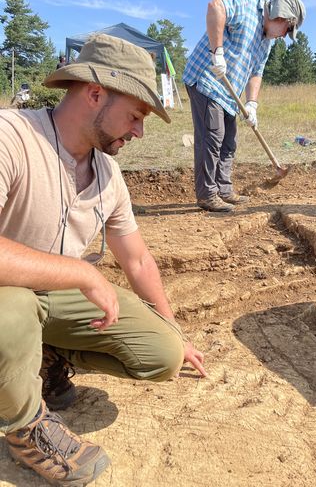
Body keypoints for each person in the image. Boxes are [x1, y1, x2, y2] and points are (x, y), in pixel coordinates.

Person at [0, 34, 206, 486]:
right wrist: (79, 271)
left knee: (163, 355)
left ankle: (44, 356)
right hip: (5, 298)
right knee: (10, 314)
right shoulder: (11, 137)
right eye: (135, 115)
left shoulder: (108, 171)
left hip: (54, 301)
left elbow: (136, 259)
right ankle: (25, 427)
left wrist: (176, 330)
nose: (139, 131)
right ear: (95, 94)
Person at [183, 0, 306, 212]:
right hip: (206, 79)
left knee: (229, 142)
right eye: (286, 30)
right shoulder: (248, 4)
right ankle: (207, 194)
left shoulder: (266, 42)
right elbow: (215, 6)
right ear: (281, 17)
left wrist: (252, 104)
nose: (283, 35)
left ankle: (224, 189)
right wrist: (217, 51)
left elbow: (256, 72)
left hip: (229, 94)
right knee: (212, 137)